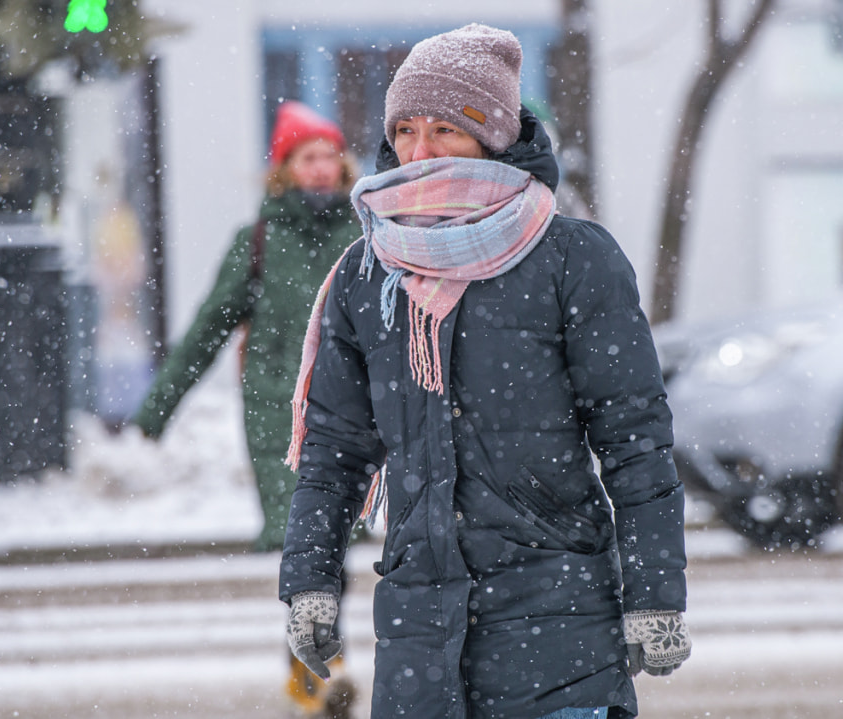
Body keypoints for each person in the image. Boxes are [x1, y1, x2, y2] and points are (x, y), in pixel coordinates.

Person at [280, 23, 690, 719]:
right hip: (418, 645)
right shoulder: (365, 272)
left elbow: (634, 440)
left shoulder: (573, 259)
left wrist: (655, 595)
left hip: (561, 638)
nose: (419, 151)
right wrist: (310, 581)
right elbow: (334, 451)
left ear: (494, 136)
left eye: (444, 128)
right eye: (405, 129)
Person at [130, 100, 361, 717]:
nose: (320, 169)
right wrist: (156, 410)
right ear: (282, 169)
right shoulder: (259, 241)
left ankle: (315, 663)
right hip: (277, 418)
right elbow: (207, 329)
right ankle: (315, 672)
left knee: (332, 544)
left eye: (329, 157)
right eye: (306, 158)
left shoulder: (365, 235)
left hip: (351, 414)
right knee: (301, 540)